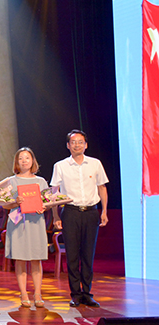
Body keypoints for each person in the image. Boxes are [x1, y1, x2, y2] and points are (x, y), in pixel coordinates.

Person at [51, 129, 109, 308]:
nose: (77, 145)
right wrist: (55, 216)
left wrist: (104, 211)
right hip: (70, 212)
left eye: (80, 142)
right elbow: (54, 193)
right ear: (68, 145)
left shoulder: (95, 164)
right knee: (72, 255)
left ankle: (87, 293)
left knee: (88, 254)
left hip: (91, 212)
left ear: (86, 145)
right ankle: (75, 294)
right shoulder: (60, 166)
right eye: (73, 142)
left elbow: (102, 188)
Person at [2, 147, 48, 308]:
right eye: (21, 158)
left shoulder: (41, 181)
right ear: (17, 162)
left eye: (27, 158)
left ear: (32, 161)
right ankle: (23, 293)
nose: (24, 161)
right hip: (18, 223)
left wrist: (44, 207)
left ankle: (38, 294)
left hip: (36, 222)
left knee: (36, 258)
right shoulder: (10, 181)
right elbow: (4, 205)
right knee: (20, 259)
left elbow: (48, 201)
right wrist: (15, 202)